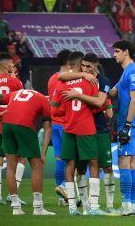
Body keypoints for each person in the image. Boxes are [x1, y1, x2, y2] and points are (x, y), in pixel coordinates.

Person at [0, 85, 54, 215]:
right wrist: (43, 153)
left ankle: (16, 208)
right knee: (37, 166)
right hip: (24, 125)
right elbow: (48, 128)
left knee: (11, 167)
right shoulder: (43, 99)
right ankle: (38, 208)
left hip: (6, 125)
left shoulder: (14, 93)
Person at [57, 53, 108, 216]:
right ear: (80, 65)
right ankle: (93, 206)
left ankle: (73, 207)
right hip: (86, 127)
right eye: (83, 66)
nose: (85, 69)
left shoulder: (64, 83)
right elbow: (98, 105)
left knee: (71, 164)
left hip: (69, 126)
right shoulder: (92, 82)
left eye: (88, 67)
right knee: (93, 163)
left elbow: (57, 108)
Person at [0, 51, 24, 206]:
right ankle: (13, 195)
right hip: (12, 123)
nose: (13, 66)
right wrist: (14, 77)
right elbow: (21, 96)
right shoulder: (14, 82)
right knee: (19, 158)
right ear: (6, 65)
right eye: (12, 64)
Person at [112, 39, 135, 216]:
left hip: (129, 124)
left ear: (126, 52)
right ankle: (132, 205)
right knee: (130, 163)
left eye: (117, 51)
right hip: (132, 124)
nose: (114, 54)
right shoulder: (127, 72)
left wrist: (127, 125)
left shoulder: (132, 72)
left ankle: (126, 204)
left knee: (124, 161)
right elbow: (113, 92)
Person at [47, 50, 78, 205]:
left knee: (60, 159)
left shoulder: (52, 78)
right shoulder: (72, 79)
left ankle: (61, 198)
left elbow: (52, 102)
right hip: (68, 123)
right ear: (69, 62)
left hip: (55, 124)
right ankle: (67, 189)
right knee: (75, 160)